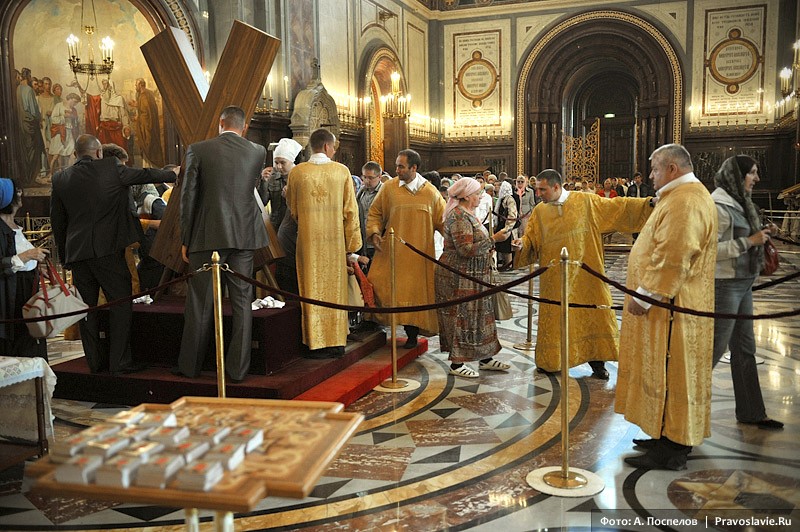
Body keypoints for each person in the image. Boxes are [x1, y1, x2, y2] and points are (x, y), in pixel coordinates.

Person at [615, 144, 718, 471]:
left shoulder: (686, 200)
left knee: (673, 372)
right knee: (666, 372)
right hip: (672, 306)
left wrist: (645, 296)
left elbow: (675, 254)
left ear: (672, 168)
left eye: (655, 169)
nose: (651, 176)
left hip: (673, 309)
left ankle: (672, 447)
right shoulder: (681, 196)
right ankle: (664, 432)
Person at [50, 134, 177, 375]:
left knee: (86, 310)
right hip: (108, 251)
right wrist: (174, 174)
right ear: (98, 152)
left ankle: (95, 362)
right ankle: (119, 362)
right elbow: (146, 174)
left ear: (75, 154)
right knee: (120, 305)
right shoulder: (112, 169)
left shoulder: (61, 178)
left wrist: (66, 256)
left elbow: (58, 221)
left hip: (78, 255)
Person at [512, 169, 654, 379]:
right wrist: (521, 244)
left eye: (542, 189)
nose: (539, 193)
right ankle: (551, 361)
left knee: (593, 313)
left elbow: (618, 207)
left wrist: (648, 204)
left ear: (556, 187)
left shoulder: (586, 202)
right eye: (537, 189)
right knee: (556, 317)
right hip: (554, 279)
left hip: (586, 274)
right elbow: (531, 239)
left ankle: (598, 362)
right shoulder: (540, 211)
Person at [176, 106, 267, 383]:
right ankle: (237, 370)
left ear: (220, 123)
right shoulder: (257, 151)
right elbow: (254, 190)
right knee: (242, 302)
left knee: (200, 303)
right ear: (243, 126)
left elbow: (188, 196)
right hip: (244, 235)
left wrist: (185, 238)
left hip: (207, 234)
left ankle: (190, 367)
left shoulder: (198, 149)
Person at [711, 155, 783, 430]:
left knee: (745, 349)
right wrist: (748, 241)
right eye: (752, 173)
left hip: (743, 282)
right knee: (712, 353)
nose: (757, 178)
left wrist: (762, 234)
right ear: (736, 176)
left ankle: (752, 411)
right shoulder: (718, 205)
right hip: (724, 284)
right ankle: (678, 422)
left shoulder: (741, 203)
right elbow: (709, 251)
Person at [285, 128, 361, 358]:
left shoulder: (298, 173)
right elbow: (350, 210)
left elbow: (293, 208)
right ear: (328, 147)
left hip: (307, 242)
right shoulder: (341, 172)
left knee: (311, 288)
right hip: (334, 242)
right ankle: (336, 342)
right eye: (335, 147)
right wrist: (352, 245)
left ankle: (314, 342)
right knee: (334, 290)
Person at [366, 149, 446, 347]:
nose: (397, 170)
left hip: (419, 257)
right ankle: (378, 325)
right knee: (379, 286)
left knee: (415, 296)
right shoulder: (389, 188)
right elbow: (375, 213)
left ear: (414, 168)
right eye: (397, 166)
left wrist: (455, 245)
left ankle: (412, 334)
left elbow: (444, 222)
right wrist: (375, 232)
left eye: (401, 166)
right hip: (392, 254)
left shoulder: (431, 193)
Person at [436, 177, 510, 378]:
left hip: (475, 273)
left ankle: (485, 357)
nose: (480, 196)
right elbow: (466, 249)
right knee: (462, 316)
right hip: (459, 275)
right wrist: (495, 239)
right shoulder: (459, 216)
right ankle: (457, 363)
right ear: (467, 196)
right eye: (477, 193)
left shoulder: (469, 213)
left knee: (480, 315)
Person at [0, 179, 49, 359]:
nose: (21, 195)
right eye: (17, 192)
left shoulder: (14, 224)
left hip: (26, 290)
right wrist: (27, 256)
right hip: (10, 298)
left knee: (33, 341)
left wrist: (35, 268)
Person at [130, 78, 164, 168]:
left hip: (147, 127)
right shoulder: (146, 94)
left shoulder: (144, 96)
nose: (135, 86)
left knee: (148, 147)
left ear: (140, 85)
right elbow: (145, 109)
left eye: (136, 85)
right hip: (147, 125)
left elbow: (146, 114)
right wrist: (136, 105)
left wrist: (138, 118)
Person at [356, 161, 383, 264]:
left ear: (379, 176)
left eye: (371, 178)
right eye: (364, 177)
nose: (367, 181)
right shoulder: (361, 192)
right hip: (363, 242)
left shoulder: (384, 191)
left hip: (378, 241)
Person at [494, 180, 518, 271]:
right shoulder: (501, 199)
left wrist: (508, 228)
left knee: (507, 248)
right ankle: (505, 264)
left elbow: (512, 214)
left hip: (507, 226)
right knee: (502, 247)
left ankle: (508, 265)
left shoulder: (509, 199)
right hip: (501, 224)